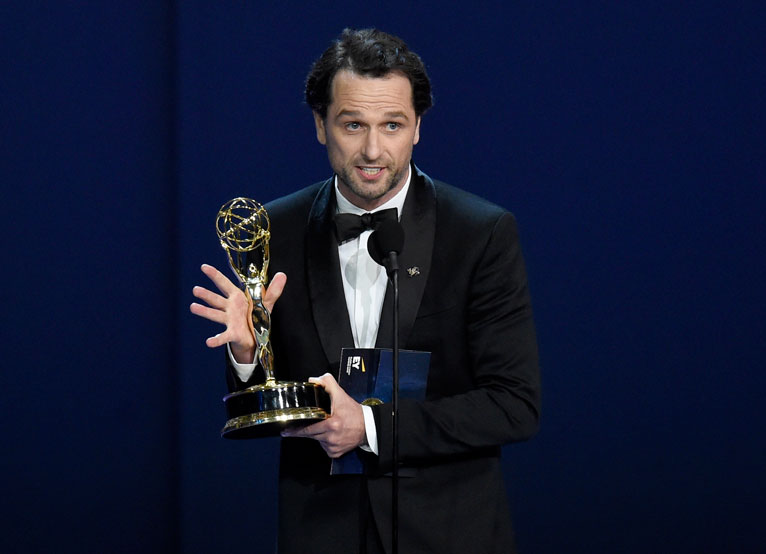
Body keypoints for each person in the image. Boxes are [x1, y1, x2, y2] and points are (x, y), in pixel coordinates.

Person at [191, 28, 541, 554]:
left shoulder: (480, 233)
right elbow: (258, 419)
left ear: (417, 127)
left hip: (449, 534)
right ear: (319, 125)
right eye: (352, 124)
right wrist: (249, 356)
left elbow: (514, 405)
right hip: (321, 532)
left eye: (392, 125)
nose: (373, 149)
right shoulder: (274, 231)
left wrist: (371, 425)